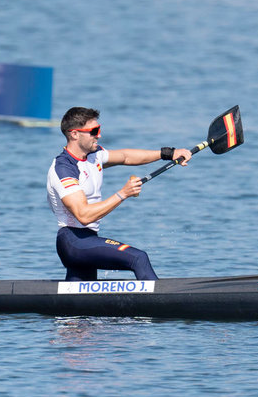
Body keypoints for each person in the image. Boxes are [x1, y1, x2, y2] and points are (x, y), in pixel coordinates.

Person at [46, 107, 192, 281]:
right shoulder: (64, 169)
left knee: (79, 304)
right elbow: (83, 215)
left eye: (98, 130)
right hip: (74, 242)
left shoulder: (94, 154)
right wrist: (123, 193)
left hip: (87, 241)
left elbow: (125, 156)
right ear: (74, 134)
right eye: (94, 131)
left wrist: (168, 153)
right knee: (139, 258)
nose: (98, 135)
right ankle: (167, 307)